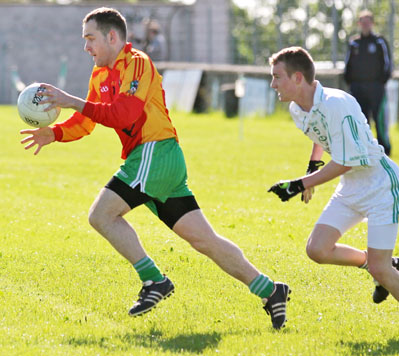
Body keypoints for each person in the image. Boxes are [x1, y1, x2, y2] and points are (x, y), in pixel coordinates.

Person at [19, 7, 290, 330]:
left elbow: (123, 115)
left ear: (112, 37)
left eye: (90, 39)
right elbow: (87, 122)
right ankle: (271, 291)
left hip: (155, 153)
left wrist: (72, 100)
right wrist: (55, 132)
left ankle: (154, 281)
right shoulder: (100, 76)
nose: (86, 47)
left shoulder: (138, 64)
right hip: (153, 161)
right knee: (205, 241)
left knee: (101, 215)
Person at [267, 46, 399, 338]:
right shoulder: (298, 108)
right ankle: (379, 264)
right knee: (317, 250)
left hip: (380, 185)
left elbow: (347, 162)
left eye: (277, 77)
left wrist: (300, 184)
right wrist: (312, 168)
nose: (273, 84)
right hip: (351, 186)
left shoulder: (337, 104)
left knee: (381, 270)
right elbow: (321, 135)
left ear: (298, 78)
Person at [344, 10, 392, 156]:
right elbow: (347, 64)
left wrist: (381, 81)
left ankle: (385, 149)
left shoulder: (379, 41)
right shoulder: (354, 43)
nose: (365, 25)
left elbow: (388, 64)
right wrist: (350, 81)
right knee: (361, 120)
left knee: (380, 119)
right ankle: (364, 148)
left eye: (368, 22)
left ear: (372, 23)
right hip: (358, 87)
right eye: (362, 22)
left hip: (376, 87)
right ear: (359, 24)